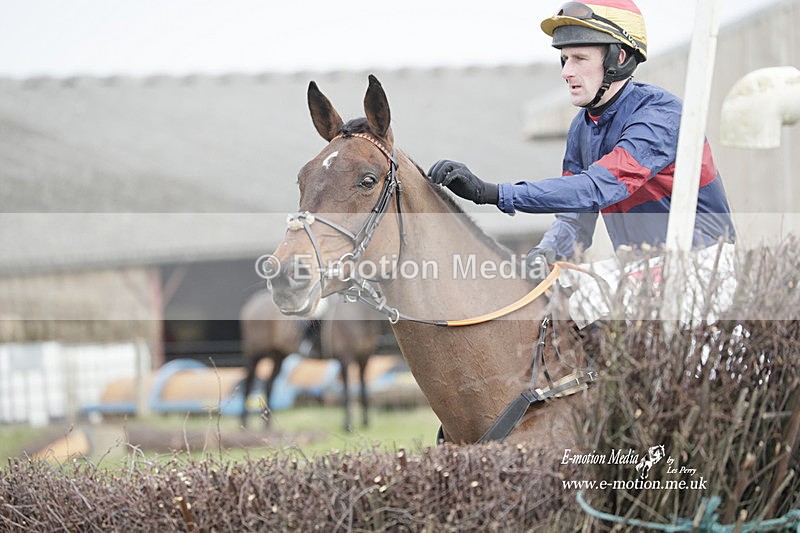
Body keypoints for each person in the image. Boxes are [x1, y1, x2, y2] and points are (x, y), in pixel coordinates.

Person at [428, 0, 736, 327]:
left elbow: (596, 188)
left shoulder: (660, 117)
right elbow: (576, 219)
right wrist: (545, 254)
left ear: (619, 58)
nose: (566, 72)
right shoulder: (583, 126)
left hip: (703, 267)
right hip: (645, 272)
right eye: (564, 59)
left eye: (579, 58)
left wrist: (491, 192)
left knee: (581, 300)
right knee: (541, 298)